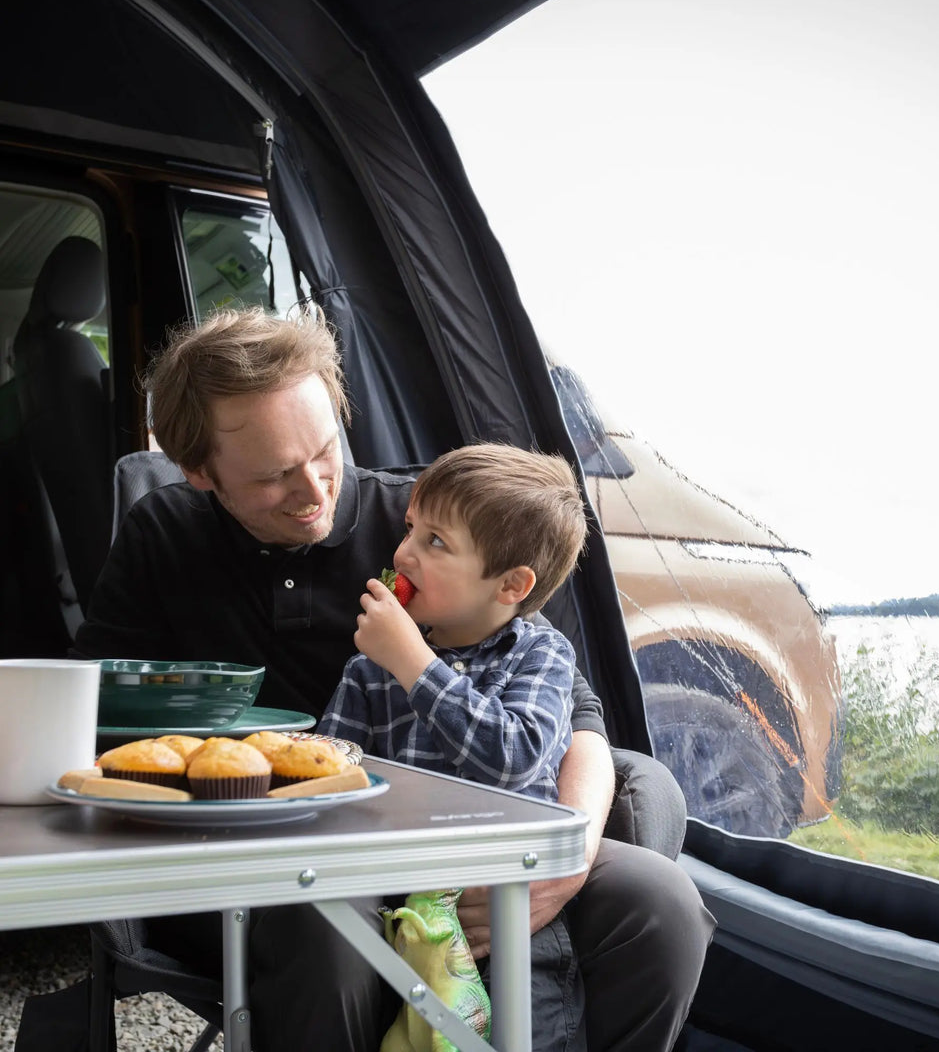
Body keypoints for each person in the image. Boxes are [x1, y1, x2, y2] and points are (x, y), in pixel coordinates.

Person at [74, 306, 715, 1052]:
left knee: (661, 903)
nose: (314, 489)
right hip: (277, 849)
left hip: (470, 829)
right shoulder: (164, 536)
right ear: (200, 473)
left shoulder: (428, 525)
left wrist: (560, 857)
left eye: (323, 452)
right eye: (275, 477)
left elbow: (576, 712)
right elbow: (98, 708)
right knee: (326, 917)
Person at [319, 442, 588, 805]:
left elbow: (512, 762)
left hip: (504, 857)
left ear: (510, 585)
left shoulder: (542, 654)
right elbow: (326, 781)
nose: (402, 555)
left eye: (435, 541)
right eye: (409, 528)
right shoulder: (371, 669)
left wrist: (413, 663)